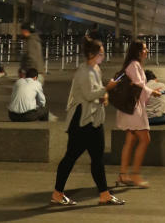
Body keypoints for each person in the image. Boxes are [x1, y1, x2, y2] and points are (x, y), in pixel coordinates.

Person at [51, 36, 123, 207]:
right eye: (101, 53)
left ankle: (104, 194)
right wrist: (107, 89)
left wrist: (104, 95)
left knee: (97, 158)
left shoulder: (95, 69)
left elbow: (96, 92)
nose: (103, 56)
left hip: (93, 120)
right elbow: (89, 94)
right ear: (92, 54)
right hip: (81, 121)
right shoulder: (83, 72)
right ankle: (57, 193)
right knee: (70, 157)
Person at [115, 39, 156, 189]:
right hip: (133, 109)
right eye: (144, 49)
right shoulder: (134, 65)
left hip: (131, 107)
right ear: (138, 51)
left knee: (130, 140)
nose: (146, 51)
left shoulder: (132, 65)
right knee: (145, 139)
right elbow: (139, 86)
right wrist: (153, 92)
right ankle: (135, 174)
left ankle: (123, 174)